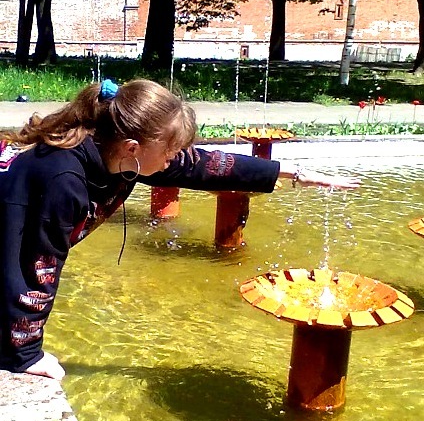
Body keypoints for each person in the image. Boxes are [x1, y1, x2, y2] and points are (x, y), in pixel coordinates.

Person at [0, 79, 360, 381]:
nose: (174, 159)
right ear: (133, 147)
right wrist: (25, 354)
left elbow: (203, 166)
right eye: (170, 150)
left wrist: (291, 173)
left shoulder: (114, 151)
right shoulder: (63, 180)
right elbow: (32, 268)